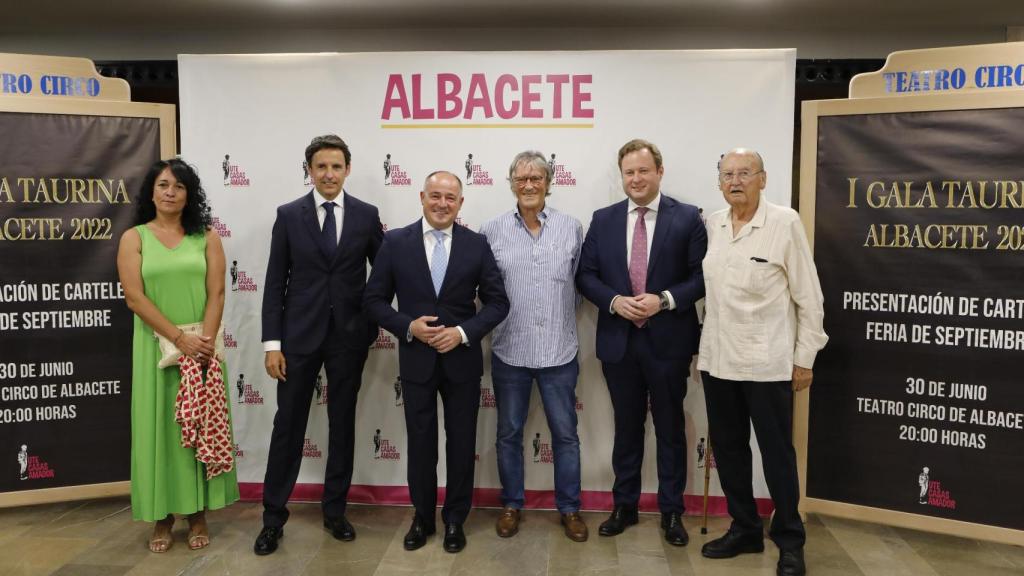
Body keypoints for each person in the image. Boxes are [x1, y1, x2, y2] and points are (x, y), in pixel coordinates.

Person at [363, 170, 509, 554]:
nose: (442, 203)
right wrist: (408, 326)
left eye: (450, 197)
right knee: (422, 445)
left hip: (461, 362)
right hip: (416, 363)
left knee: (462, 445)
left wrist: (462, 333)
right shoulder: (395, 242)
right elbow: (373, 301)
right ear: (422, 197)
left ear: (461, 203)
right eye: (435, 195)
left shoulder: (477, 245)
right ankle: (423, 518)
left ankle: (455, 520)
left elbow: (498, 303)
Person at [698, 148, 828, 576]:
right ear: (719, 181)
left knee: (776, 454)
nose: (735, 181)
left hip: (768, 363)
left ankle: (790, 538)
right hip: (718, 361)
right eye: (728, 174)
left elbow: (809, 298)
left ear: (763, 178)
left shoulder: (784, 222)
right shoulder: (714, 223)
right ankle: (746, 528)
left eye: (744, 173)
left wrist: (804, 358)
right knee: (730, 451)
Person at [255, 134, 384, 555]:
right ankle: (273, 518)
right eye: (321, 167)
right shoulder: (289, 215)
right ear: (309, 171)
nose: (329, 174)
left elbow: (383, 277)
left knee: (342, 424)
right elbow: (275, 284)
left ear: (348, 170)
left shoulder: (367, 216)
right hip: (297, 339)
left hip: (349, 338)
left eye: (336, 166)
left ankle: (335, 511)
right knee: (287, 426)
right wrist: (272, 343)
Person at [576, 139, 706, 547]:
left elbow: (703, 277)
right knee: (626, 428)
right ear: (623, 176)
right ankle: (624, 505)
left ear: (659, 172)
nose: (636, 178)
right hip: (620, 343)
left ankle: (671, 512)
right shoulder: (604, 219)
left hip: (669, 342)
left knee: (669, 429)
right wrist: (614, 302)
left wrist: (664, 300)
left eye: (643, 171)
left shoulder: (687, 218)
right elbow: (586, 275)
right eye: (629, 172)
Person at [117, 158, 239, 553]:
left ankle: (198, 512)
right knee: (161, 431)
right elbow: (134, 297)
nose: (170, 192)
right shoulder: (134, 238)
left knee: (201, 427)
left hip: (201, 349)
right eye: (163, 185)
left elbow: (217, 292)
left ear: (190, 194)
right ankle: (163, 517)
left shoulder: (207, 237)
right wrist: (176, 338)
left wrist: (201, 342)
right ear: (151, 191)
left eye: (179, 186)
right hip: (156, 349)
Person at [479, 150, 587, 542]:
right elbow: (485, 291)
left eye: (536, 179)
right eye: (521, 179)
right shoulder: (490, 231)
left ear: (549, 183)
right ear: (511, 184)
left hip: (559, 352)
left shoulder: (571, 228)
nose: (529, 185)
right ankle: (511, 504)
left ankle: (571, 509)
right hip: (511, 352)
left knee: (566, 435)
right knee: (508, 433)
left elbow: (580, 286)